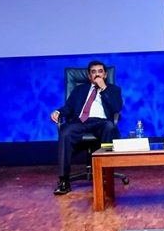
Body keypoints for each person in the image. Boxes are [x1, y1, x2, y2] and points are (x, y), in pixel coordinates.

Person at [51, 60, 123, 195]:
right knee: (65, 132)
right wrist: (58, 112)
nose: (97, 75)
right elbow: (68, 107)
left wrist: (104, 88)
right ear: (89, 76)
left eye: (100, 72)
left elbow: (116, 108)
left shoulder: (113, 90)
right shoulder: (79, 90)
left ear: (105, 75)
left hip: (101, 122)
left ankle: (104, 176)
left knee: (109, 127)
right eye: (93, 72)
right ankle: (64, 181)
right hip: (81, 122)